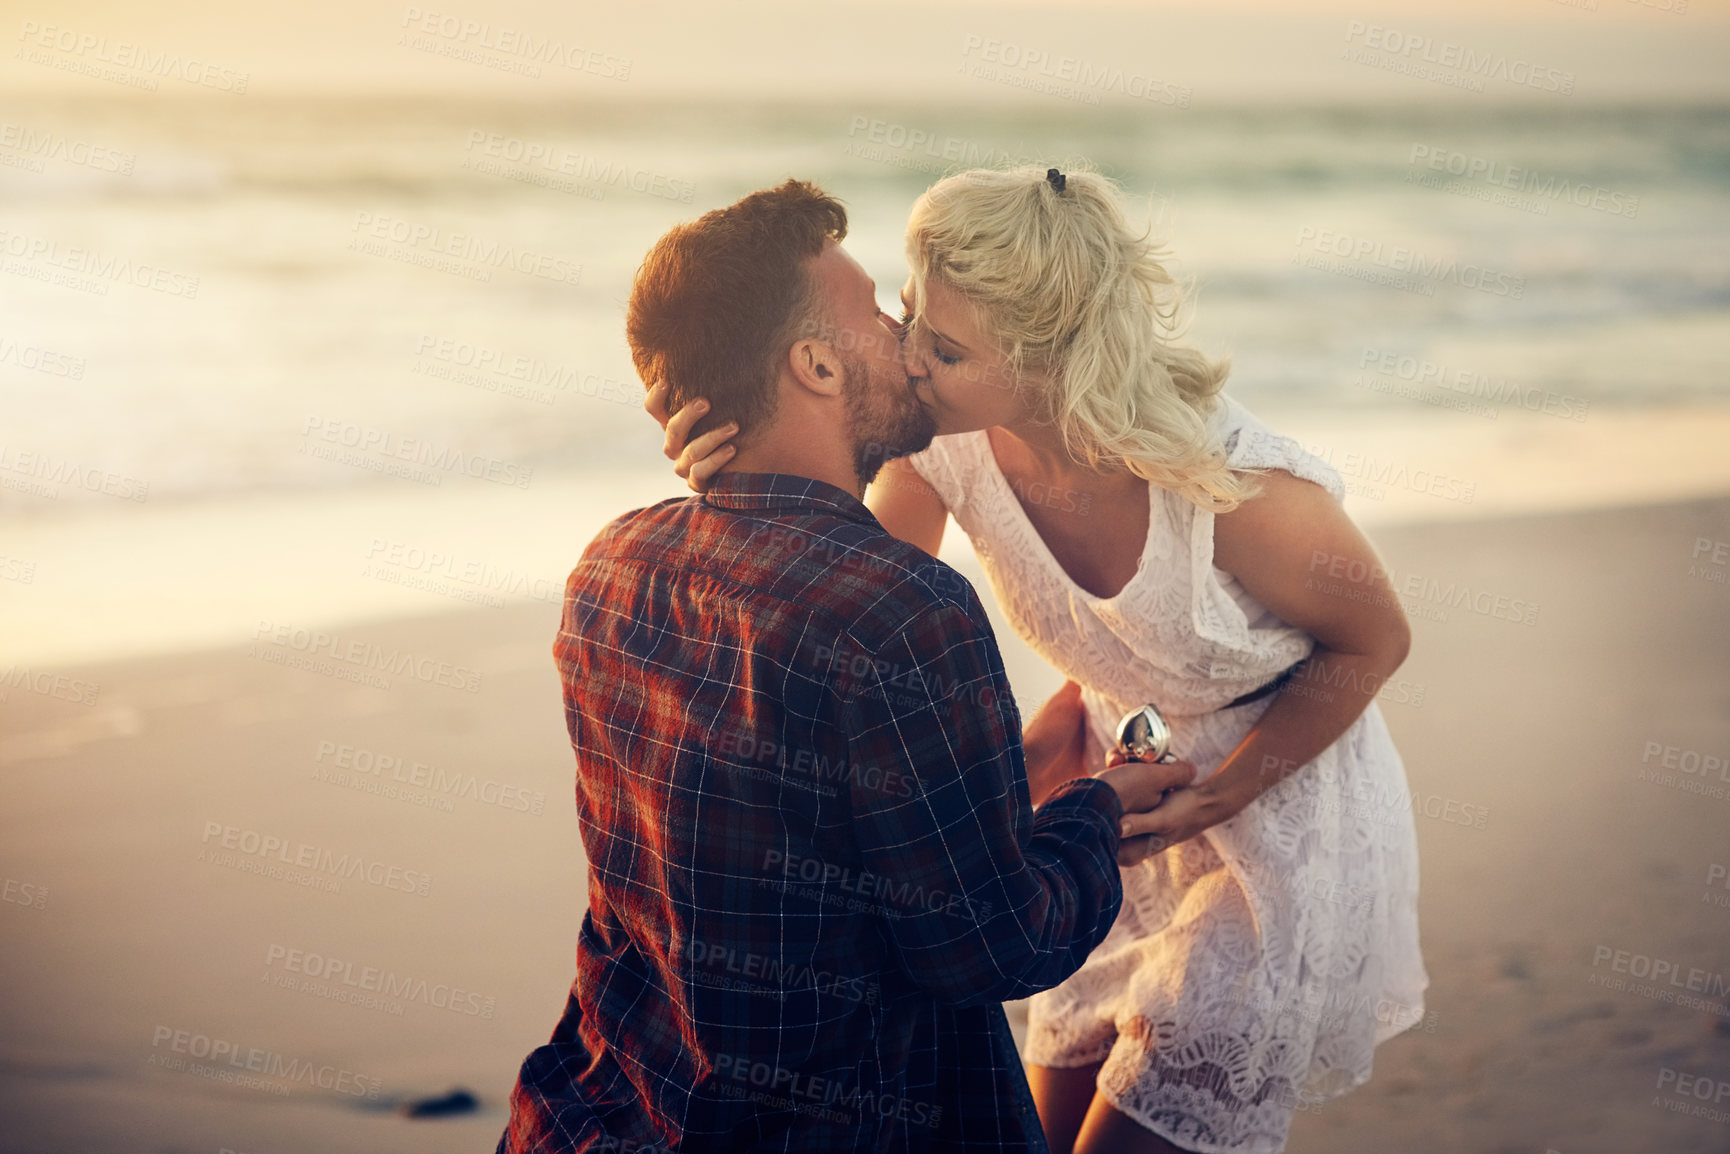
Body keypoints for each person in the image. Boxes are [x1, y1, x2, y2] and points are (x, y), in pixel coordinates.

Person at [651, 165, 1430, 1154]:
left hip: (1273, 820)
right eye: (906, 320)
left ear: (1056, 362)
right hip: (1100, 809)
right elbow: (837, 605)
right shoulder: (945, 444)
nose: (909, 362)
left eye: (943, 349)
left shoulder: (1232, 489)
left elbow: (1372, 639)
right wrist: (732, 482)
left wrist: (1221, 793)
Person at [496, 178, 1195, 1154]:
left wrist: (737, 496)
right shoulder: (905, 614)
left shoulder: (611, 563)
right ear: (817, 364)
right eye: (876, 311)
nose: (907, 342)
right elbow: (996, 943)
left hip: (605, 1107)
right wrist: (1101, 806)